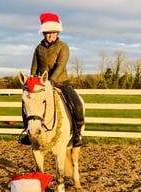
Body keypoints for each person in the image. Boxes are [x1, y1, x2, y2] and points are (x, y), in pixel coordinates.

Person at [21, 12, 84, 147]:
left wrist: (51, 82)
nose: (51, 35)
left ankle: (77, 135)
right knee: (27, 104)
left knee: (77, 104)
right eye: (48, 33)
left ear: (57, 32)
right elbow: (34, 68)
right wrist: (32, 82)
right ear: (44, 33)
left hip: (61, 83)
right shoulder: (38, 48)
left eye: (54, 33)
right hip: (41, 84)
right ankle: (28, 132)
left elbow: (61, 66)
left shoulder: (63, 47)